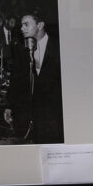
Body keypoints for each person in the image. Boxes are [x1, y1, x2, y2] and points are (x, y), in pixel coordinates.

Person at [8, 10, 64, 143]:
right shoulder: (21, 48)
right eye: (22, 25)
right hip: (30, 112)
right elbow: (16, 79)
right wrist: (9, 106)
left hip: (55, 112)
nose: (22, 28)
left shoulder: (59, 45)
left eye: (26, 24)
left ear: (40, 25)